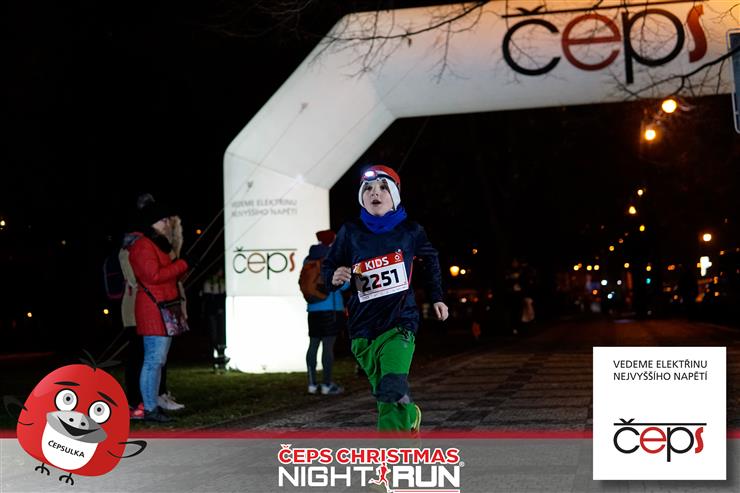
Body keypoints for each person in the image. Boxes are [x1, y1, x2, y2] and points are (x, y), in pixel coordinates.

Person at [322, 165, 448, 433]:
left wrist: (437, 297)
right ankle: (410, 414)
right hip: (362, 329)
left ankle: (390, 457)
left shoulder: (411, 231)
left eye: (383, 188)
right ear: (362, 197)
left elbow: (431, 260)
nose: (375, 193)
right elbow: (329, 266)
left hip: (400, 323)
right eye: (368, 188)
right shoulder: (350, 231)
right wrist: (334, 276)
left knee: (390, 389)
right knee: (387, 394)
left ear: (394, 195)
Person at [128, 199, 189, 423]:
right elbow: (153, 276)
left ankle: (151, 405)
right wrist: (181, 265)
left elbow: (164, 274)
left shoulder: (156, 244)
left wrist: (179, 266)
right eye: (162, 220)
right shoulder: (143, 245)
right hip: (154, 309)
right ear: (152, 222)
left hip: (163, 308)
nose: (166, 223)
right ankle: (150, 408)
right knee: (153, 360)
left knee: (157, 360)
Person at [304, 229, 348, 395]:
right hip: (331, 309)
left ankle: (311, 384)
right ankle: (327, 384)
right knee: (328, 347)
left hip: (313, 308)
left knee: (313, 345)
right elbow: (343, 285)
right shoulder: (333, 258)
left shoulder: (309, 258)